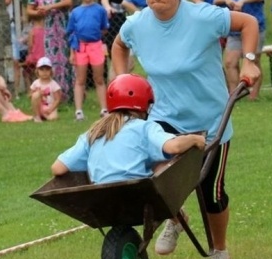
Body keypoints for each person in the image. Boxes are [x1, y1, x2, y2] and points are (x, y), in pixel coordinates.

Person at [111, 0, 260, 259]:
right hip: (164, 117)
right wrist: (124, 81)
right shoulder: (137, 24)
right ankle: (177, 219)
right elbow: (119, 45)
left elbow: (248, 23)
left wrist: (249, 62)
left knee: (211, 194)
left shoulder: (203, 17)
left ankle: (219, 249)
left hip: (210, 121)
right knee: (153, 179)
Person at [51, 73, 205, 184]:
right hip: (137, 195)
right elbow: (174, 147)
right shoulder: (145, 127)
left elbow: (58, 168)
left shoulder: (93, 133)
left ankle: (175, 216)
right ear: (144, 103)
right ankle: (174, 214)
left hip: (100, 199)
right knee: (162, 164)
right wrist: (194, 139)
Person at [214, 0, 266, 98]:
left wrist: (243, 0)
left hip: (254, 30)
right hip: (234, 32)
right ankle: (235, 93)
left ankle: (253, 96)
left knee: (253, 61)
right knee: (230, 62)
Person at [27, 0, 73, 99]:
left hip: (64, 26)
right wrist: (38, 12)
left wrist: (50, 6)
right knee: (52, 59)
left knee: (67, 59)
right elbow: (29, 10)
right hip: (48, 29)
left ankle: (70, 94)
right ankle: (55, 94)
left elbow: (68, 1)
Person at [67, 0, 109, 120]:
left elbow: (104, 28)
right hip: (80, 47)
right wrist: (72, 52)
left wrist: (95, 39)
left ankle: (104, 109)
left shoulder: (100, 10)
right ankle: (79, 111)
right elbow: (72, 33)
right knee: (80, 79)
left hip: (96, 46)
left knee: (99, 78)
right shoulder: (75, 12)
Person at [30, 57, 62, 122]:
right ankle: (37, 116)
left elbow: (57, 99)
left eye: (47, 69)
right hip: (39, 107)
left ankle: (44, 116)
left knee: (53, 118)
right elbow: (30, 95)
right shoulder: (35, 83)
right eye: (42, 69)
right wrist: (37, 93)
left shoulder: (53, 84)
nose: (44, 72)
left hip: (49, 108)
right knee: (36, 95)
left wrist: (51, 109)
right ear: (37, 71)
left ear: (51, 71)